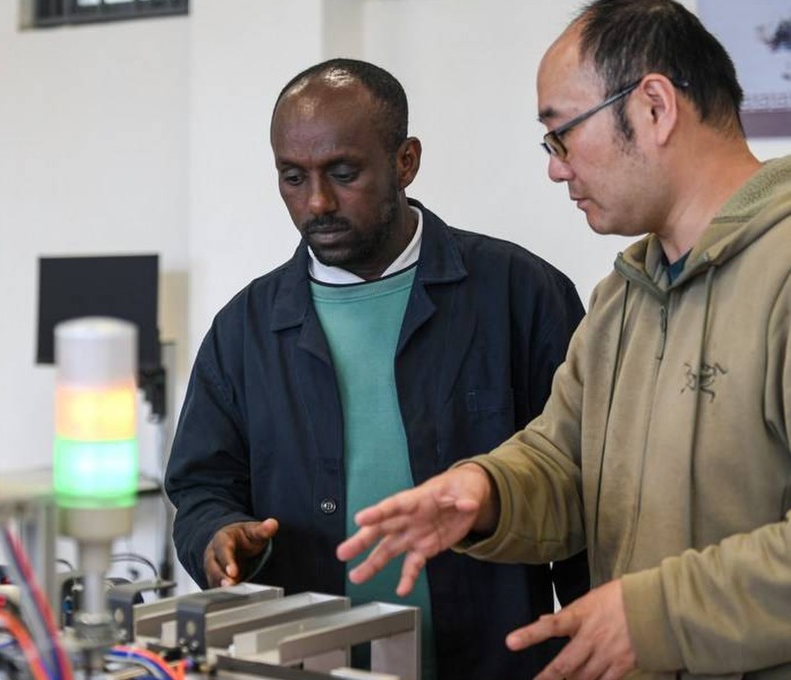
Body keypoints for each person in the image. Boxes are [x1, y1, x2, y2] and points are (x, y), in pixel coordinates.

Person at [337, 2, 791, 679]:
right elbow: (565, 459)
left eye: (562, 135)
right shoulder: (625, 295)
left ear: (655, 108)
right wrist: (482, 490)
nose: (555, 168)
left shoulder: (780, 272)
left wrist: (655, 615)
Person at [165, 58, 588, 680]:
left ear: (405, 161)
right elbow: (201, 488)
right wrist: (219, 537)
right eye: (292, 177)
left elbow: (583, 482)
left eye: (343, 172)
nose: (317, 202)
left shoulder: (519, 295)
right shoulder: (245, 329)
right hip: (306, 661)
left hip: (492, 661)